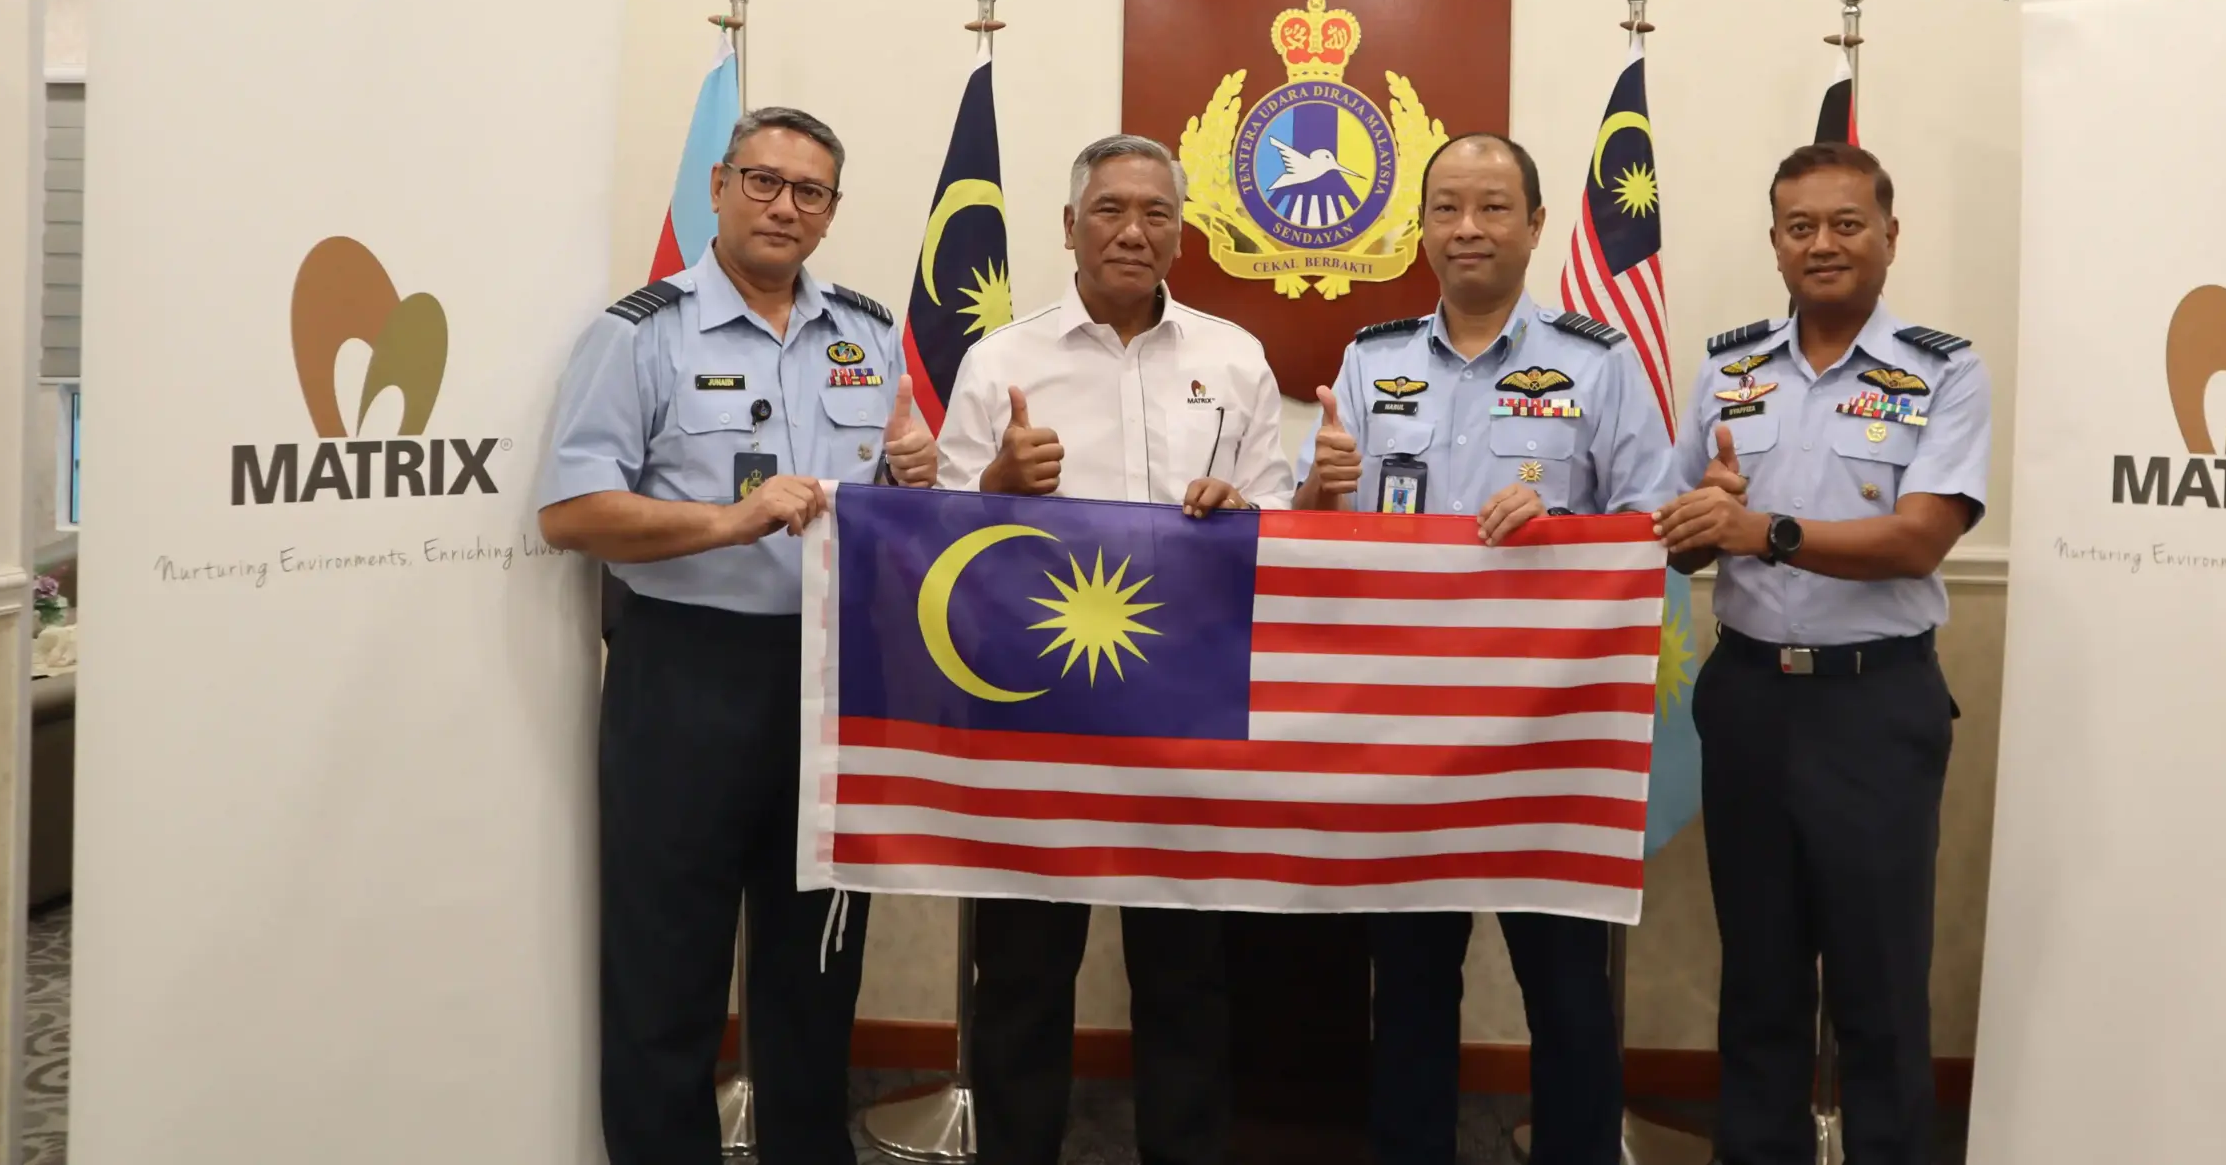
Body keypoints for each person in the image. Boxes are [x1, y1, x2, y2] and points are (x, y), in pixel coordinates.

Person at [537, 105, 939, 1165]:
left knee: (816, 970)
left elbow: (891, 486)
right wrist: (730, 518)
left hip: (833, 678)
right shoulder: (639, 332)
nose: (783, 206)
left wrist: (917, 479)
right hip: (688, 673)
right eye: (762, 181)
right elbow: (571, 513)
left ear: (831, 213)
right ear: (718, 187)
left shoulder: (866, 333)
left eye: (808, 192)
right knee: (668, 970)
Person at [1295, 131, 1675, 1165]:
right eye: (1447, 208)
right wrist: (1318, 490)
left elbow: (1657, 528)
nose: (1468, 228)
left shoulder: (1597, 366)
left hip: (1544, 740)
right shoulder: (1371, 364)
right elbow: (1309, 536)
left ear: (1536, 225)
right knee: (1411, 987)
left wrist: (1563, 530)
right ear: (1421, 228)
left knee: (1565, 993)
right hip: (1401, 734)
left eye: (1493, 207)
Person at [936, 132, 1291, 1165]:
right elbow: (936, 538)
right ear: (1069, 227)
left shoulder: (1234, 359)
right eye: (1110, 210)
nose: (1134, 231)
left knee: (1184, 974)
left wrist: (1242, 509)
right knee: (1023, 973)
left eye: (1156, 213)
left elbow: (1277, 515)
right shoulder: (1002, 361)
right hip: (1035, 707)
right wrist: (998, 484)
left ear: (1183, 233)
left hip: (1185, 706)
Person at [1653, 142, 1990, 1165]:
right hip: (1749, 697)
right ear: (1774, 244)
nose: (1824, 244)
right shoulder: (1728, 369)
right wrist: (1706, 517)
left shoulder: (1940, 369)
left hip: (1872, 708)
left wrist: (1766, 531)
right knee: (1757, 979)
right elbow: (1677, 525)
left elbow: (1918, 538)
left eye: (1847, 223)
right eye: (1800, 227)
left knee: (1876, 983)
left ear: (1891, 235)